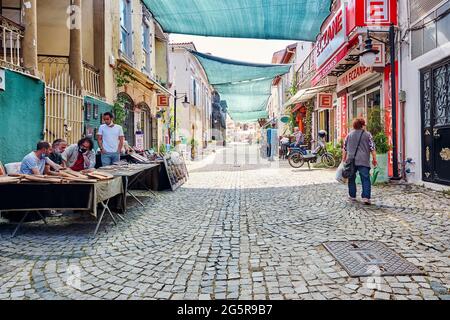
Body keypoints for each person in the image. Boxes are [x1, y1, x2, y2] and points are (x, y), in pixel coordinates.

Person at [342, 118, 378, 205]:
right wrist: (374, 159)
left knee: (351, 178)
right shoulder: (367, 135)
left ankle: (352, 196)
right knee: (365, 179)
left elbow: (344, 148)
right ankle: (366, 197)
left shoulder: (349, 135)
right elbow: (372, 148)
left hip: (351, 160)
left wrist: (343, 159)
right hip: (363, 160)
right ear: (362, 125)